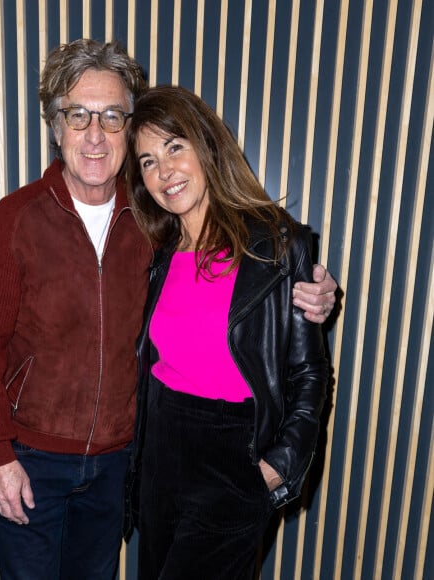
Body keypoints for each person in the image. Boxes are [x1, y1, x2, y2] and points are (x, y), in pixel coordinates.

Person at [0, 39, 336, 579]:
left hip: (124, 463)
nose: (94, 134)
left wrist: (317, 292)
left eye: (112, 116)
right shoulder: (18, 220)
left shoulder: (151, 228)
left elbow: (292, 354)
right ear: (54, 126)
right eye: (77, 115)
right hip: (38, 462)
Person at [123, 85, 330, 579]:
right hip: (160, 448)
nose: (164, 171)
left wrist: (280, 463)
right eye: (148, 161)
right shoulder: (157, 253)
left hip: (234, 454)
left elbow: (310, 372)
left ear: (207, 144)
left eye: (175, 147)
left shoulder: (278, 246)